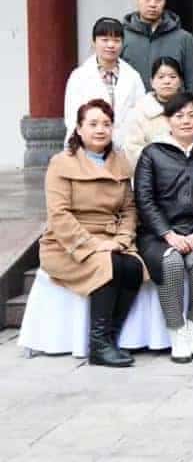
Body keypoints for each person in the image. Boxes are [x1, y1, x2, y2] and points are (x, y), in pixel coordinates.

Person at [41, 99, 147, 367]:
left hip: (111, 238)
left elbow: (129, 208)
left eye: (107, 124)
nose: (100, 130)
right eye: (93, 124)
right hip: (66, 244)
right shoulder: (61, 163)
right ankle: (98, 345)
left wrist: (122, 239)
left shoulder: (119, 162)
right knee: (107, 265)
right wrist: (91, 245)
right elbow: (59, 214)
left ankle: (111, 337)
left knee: (133, 266)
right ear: (78, 129)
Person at [133, 92, 193, 364]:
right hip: (158, 235)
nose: (186, 121)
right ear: (168, 120)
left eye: (192, 115)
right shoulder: (152, 153)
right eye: (179, 116)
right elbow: (144, 199)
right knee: (170, 262)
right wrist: (167, 234)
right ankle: (176, 331)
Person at [65, 17, 145, 148]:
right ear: (94, 42)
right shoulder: (79, 77)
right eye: (105, 40)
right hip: (89, 149)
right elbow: (72, 119)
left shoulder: (133, 77)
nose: (111, 45)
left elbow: (141, 116)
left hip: (125, 149)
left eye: (116, 40)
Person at [121, 0, 193, 95]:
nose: (153, 4)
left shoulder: (184, 39)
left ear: (164, 0)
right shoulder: (121, 37)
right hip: (133, 105)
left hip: (174, 105)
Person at [123, 56, 184, 164]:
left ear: (180, 81)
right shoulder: (140, 111)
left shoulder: (189, 109)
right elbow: (132, 148)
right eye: (161, 77)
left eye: (172, 77)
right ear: (152, 82)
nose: (167, 81)